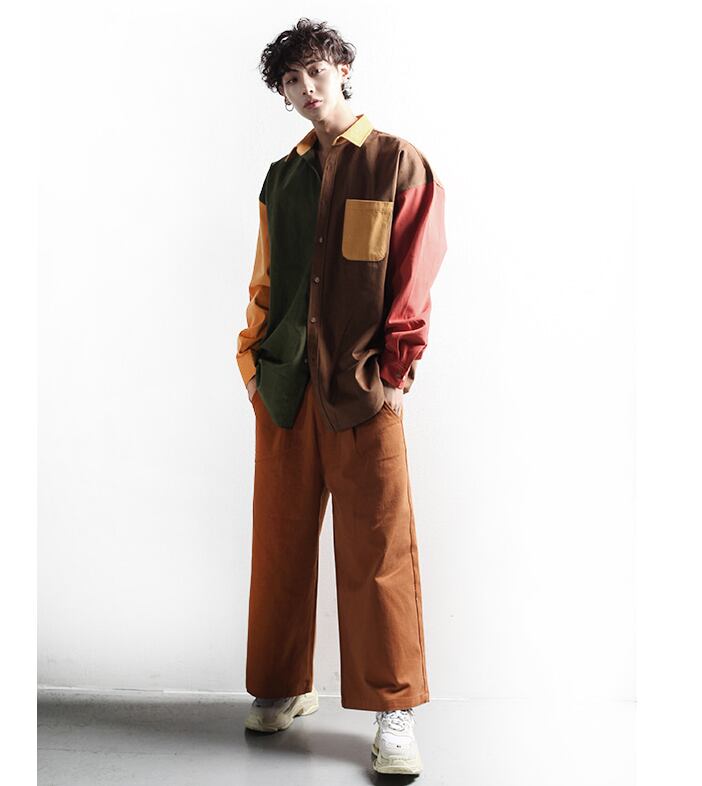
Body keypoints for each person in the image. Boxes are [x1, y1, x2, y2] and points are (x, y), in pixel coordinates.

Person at [235, 18, 447, 776]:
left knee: (379, 552)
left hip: (364, 391)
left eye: (315, 72)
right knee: (280, 545)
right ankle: (282, 687)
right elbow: (266, 277)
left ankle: (394, 711)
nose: (305, 89)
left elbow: (414, 277)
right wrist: (252, 362)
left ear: (343, 68)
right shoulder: (282, 177)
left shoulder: (398, 162)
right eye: (290, 81)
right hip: (286, 387)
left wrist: (395, 373)